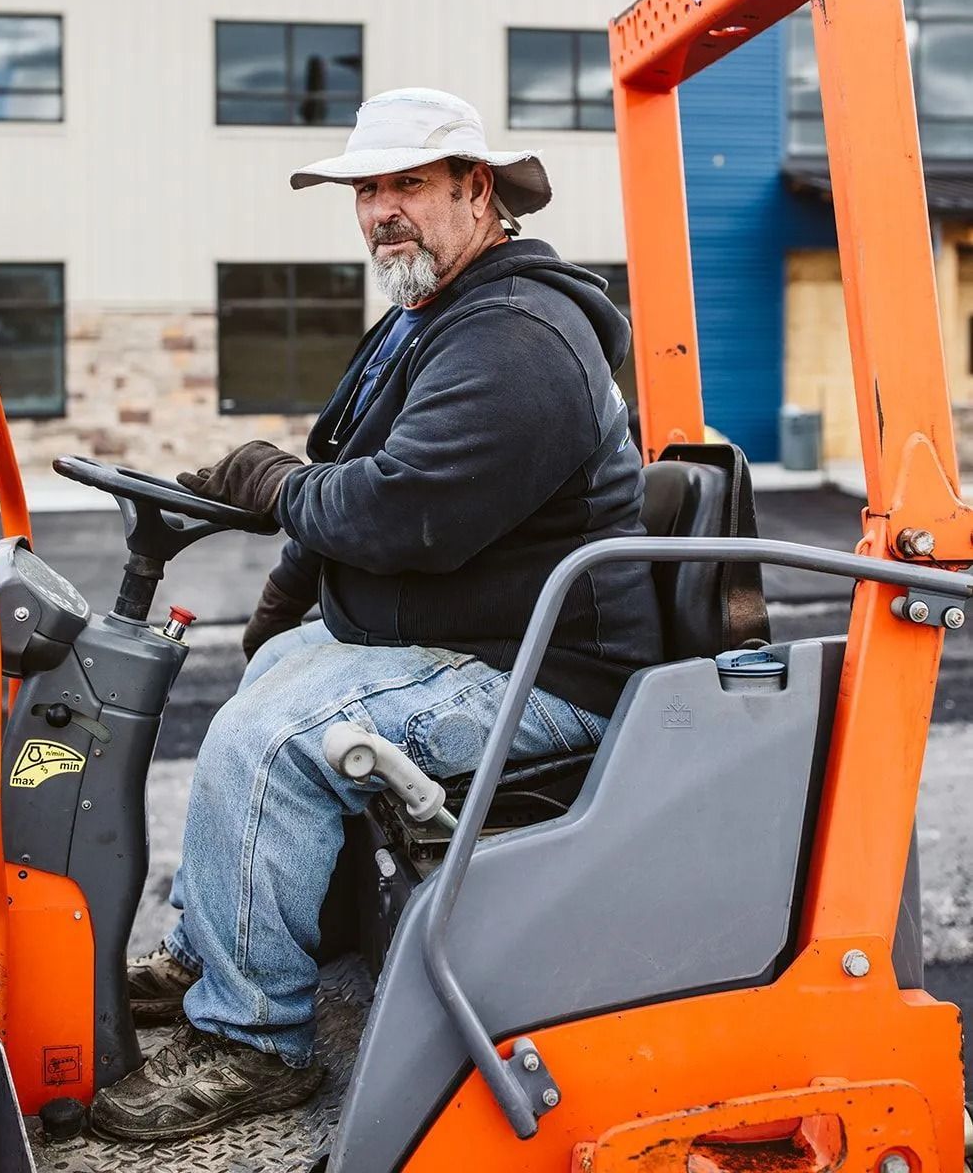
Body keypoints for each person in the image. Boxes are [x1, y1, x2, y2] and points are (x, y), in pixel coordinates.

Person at [91, 88, 663, 1143]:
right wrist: (283, 601)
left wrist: (270, 483)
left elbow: (405, 513)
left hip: (542, 672)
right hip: (458, 635)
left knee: (272, 741)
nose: (378, 212)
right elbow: (346, 468)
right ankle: (218, 953)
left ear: (473, 189)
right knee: (265, 683)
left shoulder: (519, 337)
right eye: (366, 191)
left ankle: (253, 1043)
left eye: (405, 184)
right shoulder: (424, 318)